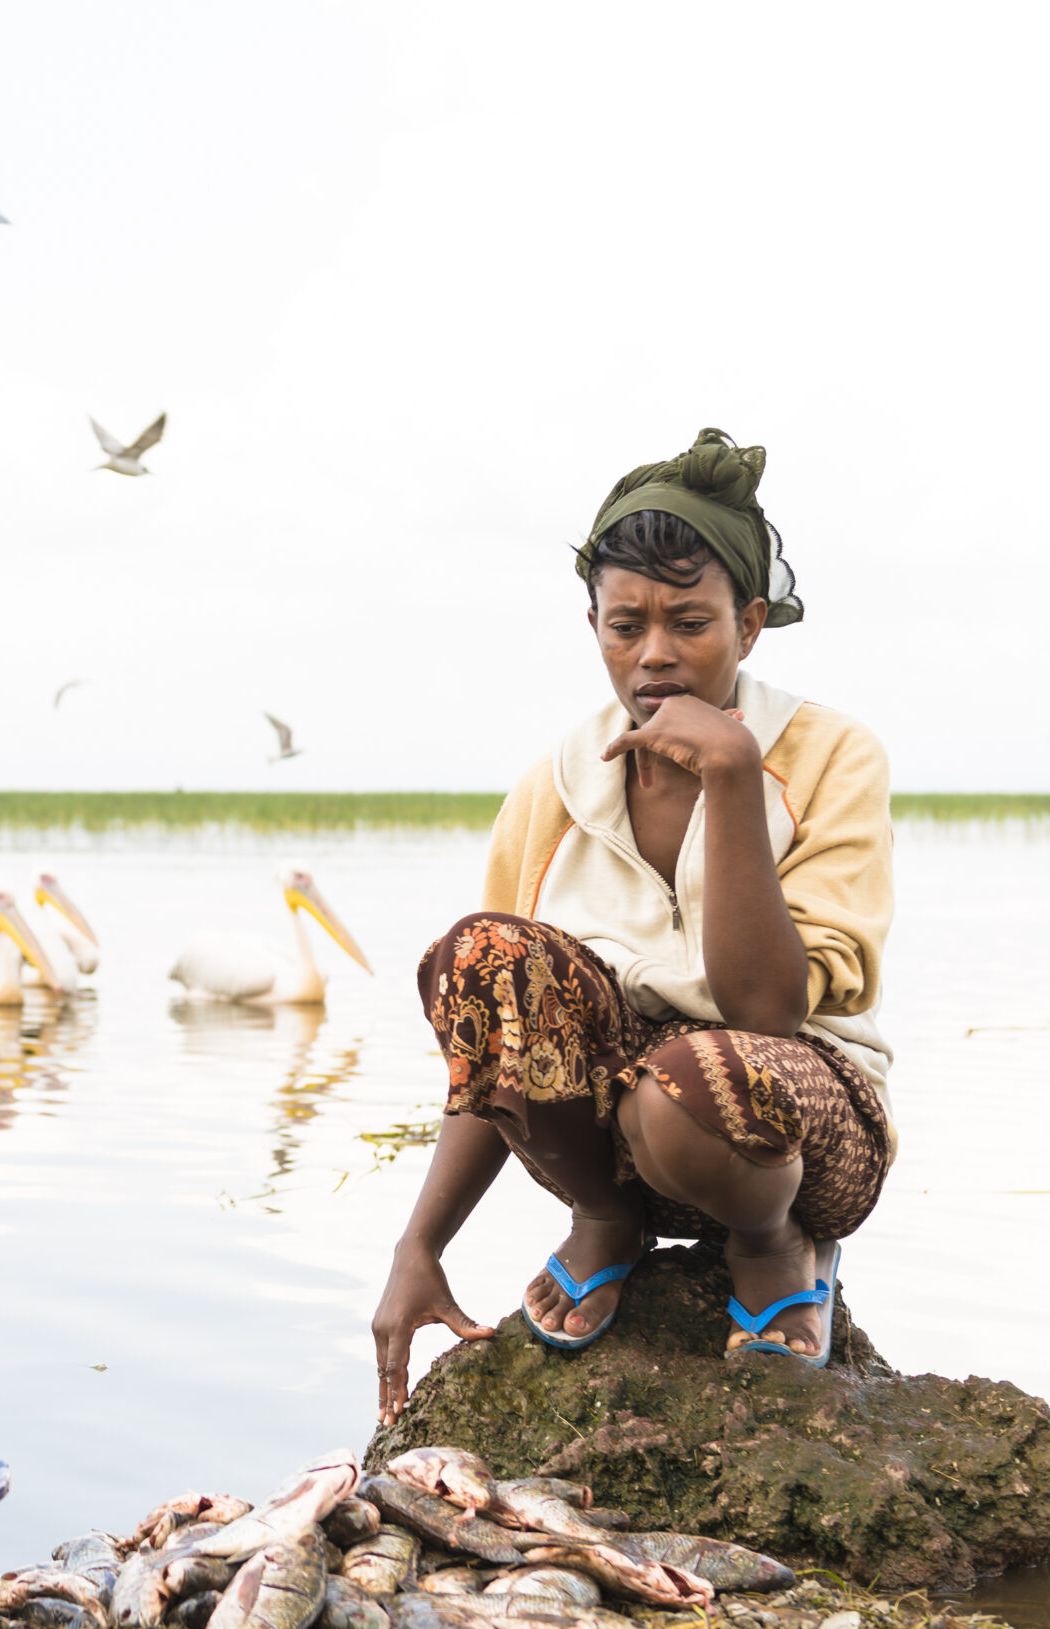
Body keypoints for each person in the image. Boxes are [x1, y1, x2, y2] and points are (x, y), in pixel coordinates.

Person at [371, 428, 897, 1424]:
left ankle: (769, 1249)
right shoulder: (555, 786)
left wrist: (733, 776)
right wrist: (419, 1245)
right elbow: (503, 1043)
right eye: (625, 626)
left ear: (747, 625)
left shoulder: (829, 755)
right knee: (481, 953)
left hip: (794, 1135)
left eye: (689, 622)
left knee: (697, 1075)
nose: (653, 653)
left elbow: (766, 1008)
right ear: (593, 625)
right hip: (616, 1148)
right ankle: (604, 1222)